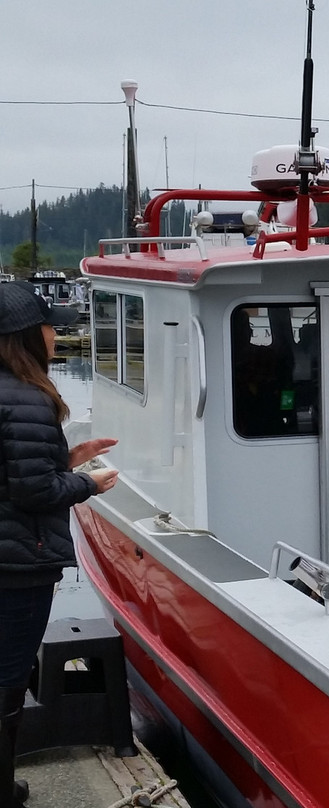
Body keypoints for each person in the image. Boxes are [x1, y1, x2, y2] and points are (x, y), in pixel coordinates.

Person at [0, 281, 119, 808]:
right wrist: (87, 483)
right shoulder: (28, 397)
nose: (56, 334)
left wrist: (68, 458)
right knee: (7, 677)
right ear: (27, 335)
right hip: (17, 566)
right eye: (51, 325)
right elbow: (33, 492)